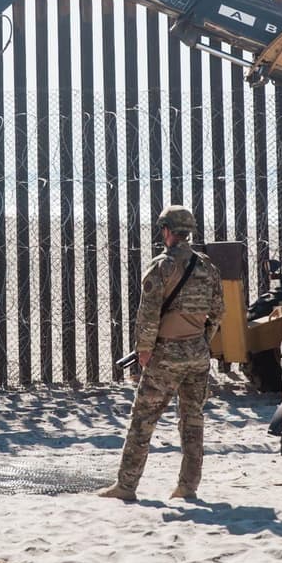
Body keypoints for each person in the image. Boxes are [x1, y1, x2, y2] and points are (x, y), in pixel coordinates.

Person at [99, 205, 225, 502]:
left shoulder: (161, 266)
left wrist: (144, 351)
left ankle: (126, 486)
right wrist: (201, 340)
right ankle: (188, 486)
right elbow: (218, 312)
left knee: (143, 419)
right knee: (193, 419)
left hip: (166, 354)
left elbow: (148, 315)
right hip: (197, 353)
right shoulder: (207, 267)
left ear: (167, 231)